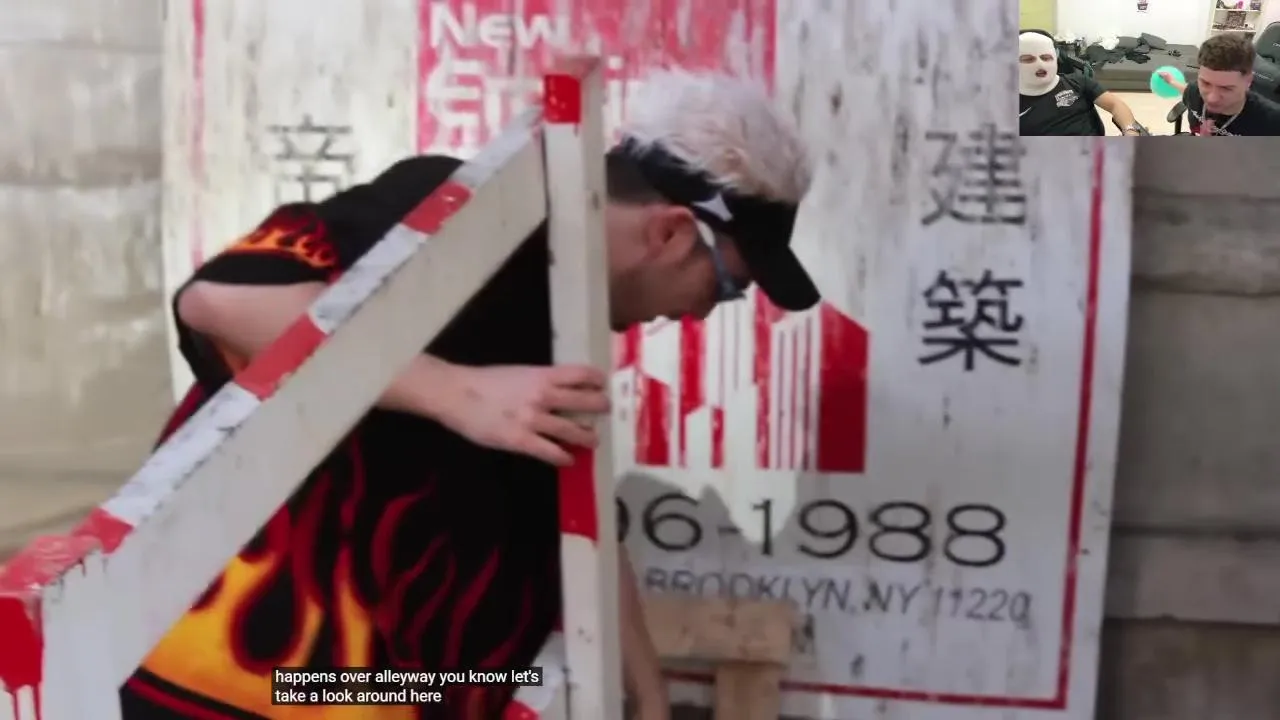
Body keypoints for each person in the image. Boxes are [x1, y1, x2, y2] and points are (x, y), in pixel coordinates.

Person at [118, 69, 820, 720]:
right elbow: (224, 300)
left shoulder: (570, 310)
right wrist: (454, 392)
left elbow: (577, 512)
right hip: (258, 681)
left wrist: (649, 698)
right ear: (669, 233)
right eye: (727, 287)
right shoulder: (458, 215)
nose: (701, 314)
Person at [1018, 31, 1144, 136]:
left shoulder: (1078, 81)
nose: (1040, 64)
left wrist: (1130, 130)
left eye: (1046, 58)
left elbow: (1115, 104)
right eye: (1028, 59)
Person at [1158, 33, 1280, 135]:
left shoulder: (1272, 122)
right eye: (1206, 83)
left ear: (1248, 81)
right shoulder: (1194, 91)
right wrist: (1171, 81)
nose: (1212, 99)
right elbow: (1186, 89)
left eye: (1226, 88)